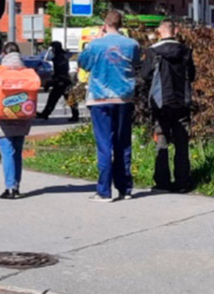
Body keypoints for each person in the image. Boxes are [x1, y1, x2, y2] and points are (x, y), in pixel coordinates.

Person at [77, 11, 141, 203]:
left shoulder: (95, 45)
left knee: (104, 144)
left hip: (100, 98)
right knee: (123, 143)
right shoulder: (132, 44)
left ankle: (104, 191)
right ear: (120, 25)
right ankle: (125, 189)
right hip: (124, 98)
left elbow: (83, 64)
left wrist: (93, 43)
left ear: (104, 25)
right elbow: (136, 64)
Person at [141, 19, 196, 192]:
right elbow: (192, 75)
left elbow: (144, 75)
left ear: (159, 32)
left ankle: (162, 182)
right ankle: (182, 182)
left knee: (162, 141)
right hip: (182, 101)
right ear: (176, 30)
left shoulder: (153, 51)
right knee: (182, 143)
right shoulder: (186, 51)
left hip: (161, 103)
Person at [0, 43, 39, 199]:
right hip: (22, 118)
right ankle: (16, 185)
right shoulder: (28, 72)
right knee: (17, 152)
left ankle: (10, 188)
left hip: (2, 118)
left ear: (4, 54)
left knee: (7, 153)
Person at [37, 41, 80, 122]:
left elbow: (60, 71)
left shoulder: (59, 58)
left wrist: (53, 81)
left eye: (52, 48)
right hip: (63, 80)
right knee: (57, 98)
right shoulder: (62, 56)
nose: (52, 50)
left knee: (60, 98)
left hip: (61, 80)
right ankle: (45, 113)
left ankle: (46, 114)